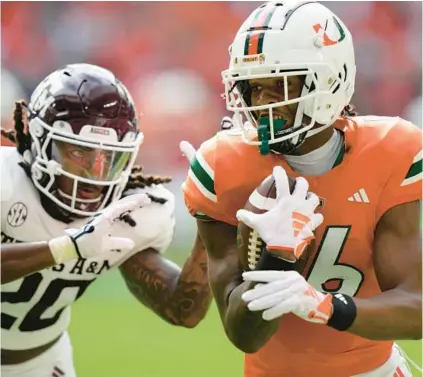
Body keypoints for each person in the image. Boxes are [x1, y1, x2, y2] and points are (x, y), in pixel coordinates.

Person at [182, 1, 422, 376]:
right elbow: (243, 333)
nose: (262, 104)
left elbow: (416, 308)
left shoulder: (391, 152)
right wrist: (276, 258)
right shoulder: (222, 166)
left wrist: (324, 306)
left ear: (330, 81)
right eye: (253, 88)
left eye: (279, 86)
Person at [1, 63, 211, 377]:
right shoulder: (7, 181)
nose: (94, 174)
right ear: (42, 142)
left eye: (109, 158)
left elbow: (184, 311)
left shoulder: (127, 211)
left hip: (42, 363)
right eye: (78, 153)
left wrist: (211, 219)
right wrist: (65, 249)